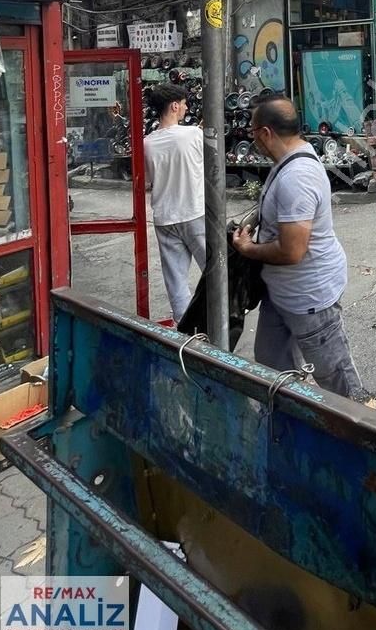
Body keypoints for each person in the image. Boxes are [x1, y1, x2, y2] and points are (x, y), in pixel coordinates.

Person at [231, 97, 362, 399]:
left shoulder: (297, 177)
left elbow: (292, 251)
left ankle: (359, 429)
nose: (253, 141)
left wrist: (248, 249)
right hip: (282, 293)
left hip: (309, 297)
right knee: (270, 361)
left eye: (253, 134)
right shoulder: (288, 162)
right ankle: (295, 412)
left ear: (266, 133)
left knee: (337, 379)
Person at [143, 83, 205, 322]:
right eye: (184, 103)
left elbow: (149, 179)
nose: (186, 107)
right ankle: (218, 323)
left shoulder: (147, 143)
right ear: (175, 106)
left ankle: (187, 332)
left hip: (165, 217)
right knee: (215, 271)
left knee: (176, 281)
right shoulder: (193, 135)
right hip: (194, 212)